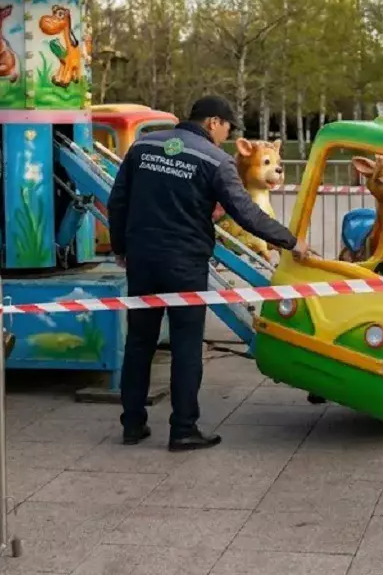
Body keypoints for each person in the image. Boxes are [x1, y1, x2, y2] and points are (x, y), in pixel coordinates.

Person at [107, 95, 309, 451]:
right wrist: (290, 241)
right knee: (186, 346)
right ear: (213, 122)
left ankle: (133, 425)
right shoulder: (214, 160)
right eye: (227, 127)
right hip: (185, 264)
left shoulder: (143, 147)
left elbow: (118, 199)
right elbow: (245, 212)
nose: (226, 135)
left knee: (140, 342)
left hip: (142, 258)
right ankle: (183, 429)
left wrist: (121, 247)